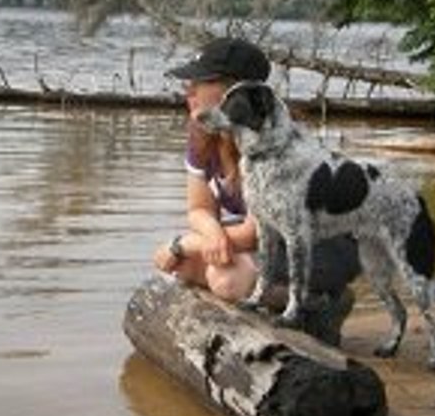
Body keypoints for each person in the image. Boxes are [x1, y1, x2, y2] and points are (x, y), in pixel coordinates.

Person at [153, 37, 360, 345]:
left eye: (200, 82)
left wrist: (181, 243)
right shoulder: (204, 133)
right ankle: (274, 309)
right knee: (184, 268)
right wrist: (210, 235)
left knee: (226, 279)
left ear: (232, 92)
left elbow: (253, 235)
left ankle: (322, 304)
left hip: (328, 247)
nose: (189, 91)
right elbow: (198, 209)